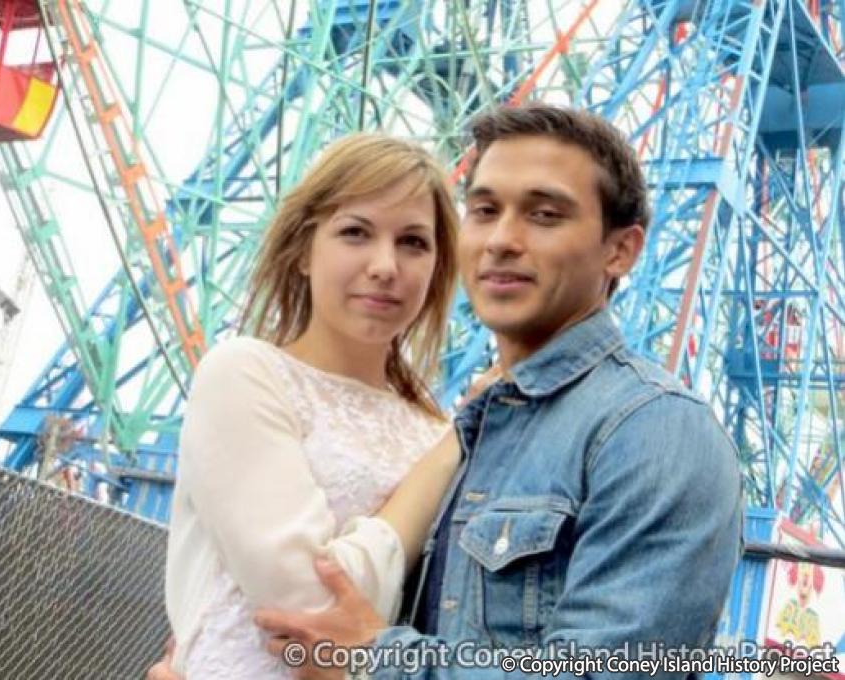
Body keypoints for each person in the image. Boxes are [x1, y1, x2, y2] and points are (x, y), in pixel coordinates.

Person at [251, 103, 744, 679]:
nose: (502, 240)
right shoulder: (475, 427)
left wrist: (374, 659)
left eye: (544, 215)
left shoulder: (656, 431)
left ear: (620, 250)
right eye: (484, 211)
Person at [164, 133, 482, 678]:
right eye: (355, 232)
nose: (385, 265)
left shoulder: (435, 432)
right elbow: (311, 609)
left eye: (413, 242)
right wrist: (450, 449)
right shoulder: (244, 374)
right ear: (302, 251)